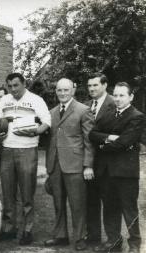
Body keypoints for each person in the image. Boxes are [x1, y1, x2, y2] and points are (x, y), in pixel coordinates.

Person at [89, 82, 145, 253]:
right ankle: (114, 242)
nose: (118, 99)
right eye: (116, 95)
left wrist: (103, 145)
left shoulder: (137, 116)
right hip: (106, 171)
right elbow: (92, 134)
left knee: (129, 209)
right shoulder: (108, 113)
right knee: (110, 208)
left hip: (126, 172)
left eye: (122, 95)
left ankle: (135, 244)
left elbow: (125, 142)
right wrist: (110, 137)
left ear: (131, 97)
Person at [0, 73, 51, 245]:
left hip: (27, 150)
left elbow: (47, 122)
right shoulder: (4, 100)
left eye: (16, 85)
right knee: (8, 191)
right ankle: (9, 228)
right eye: (10, 86)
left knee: (27, 192)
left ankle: (27, 230)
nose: (13, 89)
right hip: (7, 150)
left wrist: (36, 131)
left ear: (24, 84)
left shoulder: (36, 100)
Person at [44, 78, 94, 251]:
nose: (63, 93)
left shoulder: (83, 110)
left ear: (73, 90)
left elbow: (89, 141)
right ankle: (60, 236)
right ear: (56, 92)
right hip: (55, 164)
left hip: (75, 164)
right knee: (58, 202)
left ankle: (80, 237)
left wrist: (88, 165)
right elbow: (50, 140)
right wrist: (48, 166)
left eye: (66, 90)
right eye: (59, 90)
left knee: (77, 203)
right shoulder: (51, 112)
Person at [84, 73, 115, 245]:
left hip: (108, 162)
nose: (92, 89)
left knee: (109, 202)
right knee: (91, 200)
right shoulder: (86, 106)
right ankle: (93, 237)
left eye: (95, 85)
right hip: (89, 162)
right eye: (89, 86)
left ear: (104, 85)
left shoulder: (114, 103)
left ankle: (112, 239)